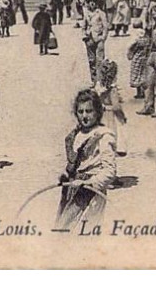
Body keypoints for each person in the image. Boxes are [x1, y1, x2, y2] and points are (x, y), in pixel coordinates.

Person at [56, 89, 116, 231]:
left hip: (90, 191)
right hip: (73, 189)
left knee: (82, 232)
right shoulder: (76, 134)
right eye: (80, 111)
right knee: (62, 228)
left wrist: (88, 182)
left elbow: (110, 172)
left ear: (98, 112)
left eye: (89, 111)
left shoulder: (103, 136)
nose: (84, 116)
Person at [95, 58, 128, 160]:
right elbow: (116, 106)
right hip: (111, 116)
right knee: (112, 138)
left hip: (101, 114)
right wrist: (122, 116)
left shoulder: (98, 87)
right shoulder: (112, 89)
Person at [82, 0, 109, 84]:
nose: (92, 4)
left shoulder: (101, 13)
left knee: (100, 59)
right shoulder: (86, 14)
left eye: (94, 2)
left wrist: (103, 37)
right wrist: (84, 35)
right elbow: (83, 26)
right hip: (89, 39)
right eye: (90, 2)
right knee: (91, 60)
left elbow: (105, 26)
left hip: (99, 38)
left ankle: (101, 80)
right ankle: (93, 80)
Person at [126, 30, 151, 100]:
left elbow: (130, 47)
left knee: (136, 75)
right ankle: (144, 92)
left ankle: (139, 92)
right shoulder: (147, 40)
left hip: (137, 59)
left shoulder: (137, 40)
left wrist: (129, 55)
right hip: (145, 59)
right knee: (143, 74)